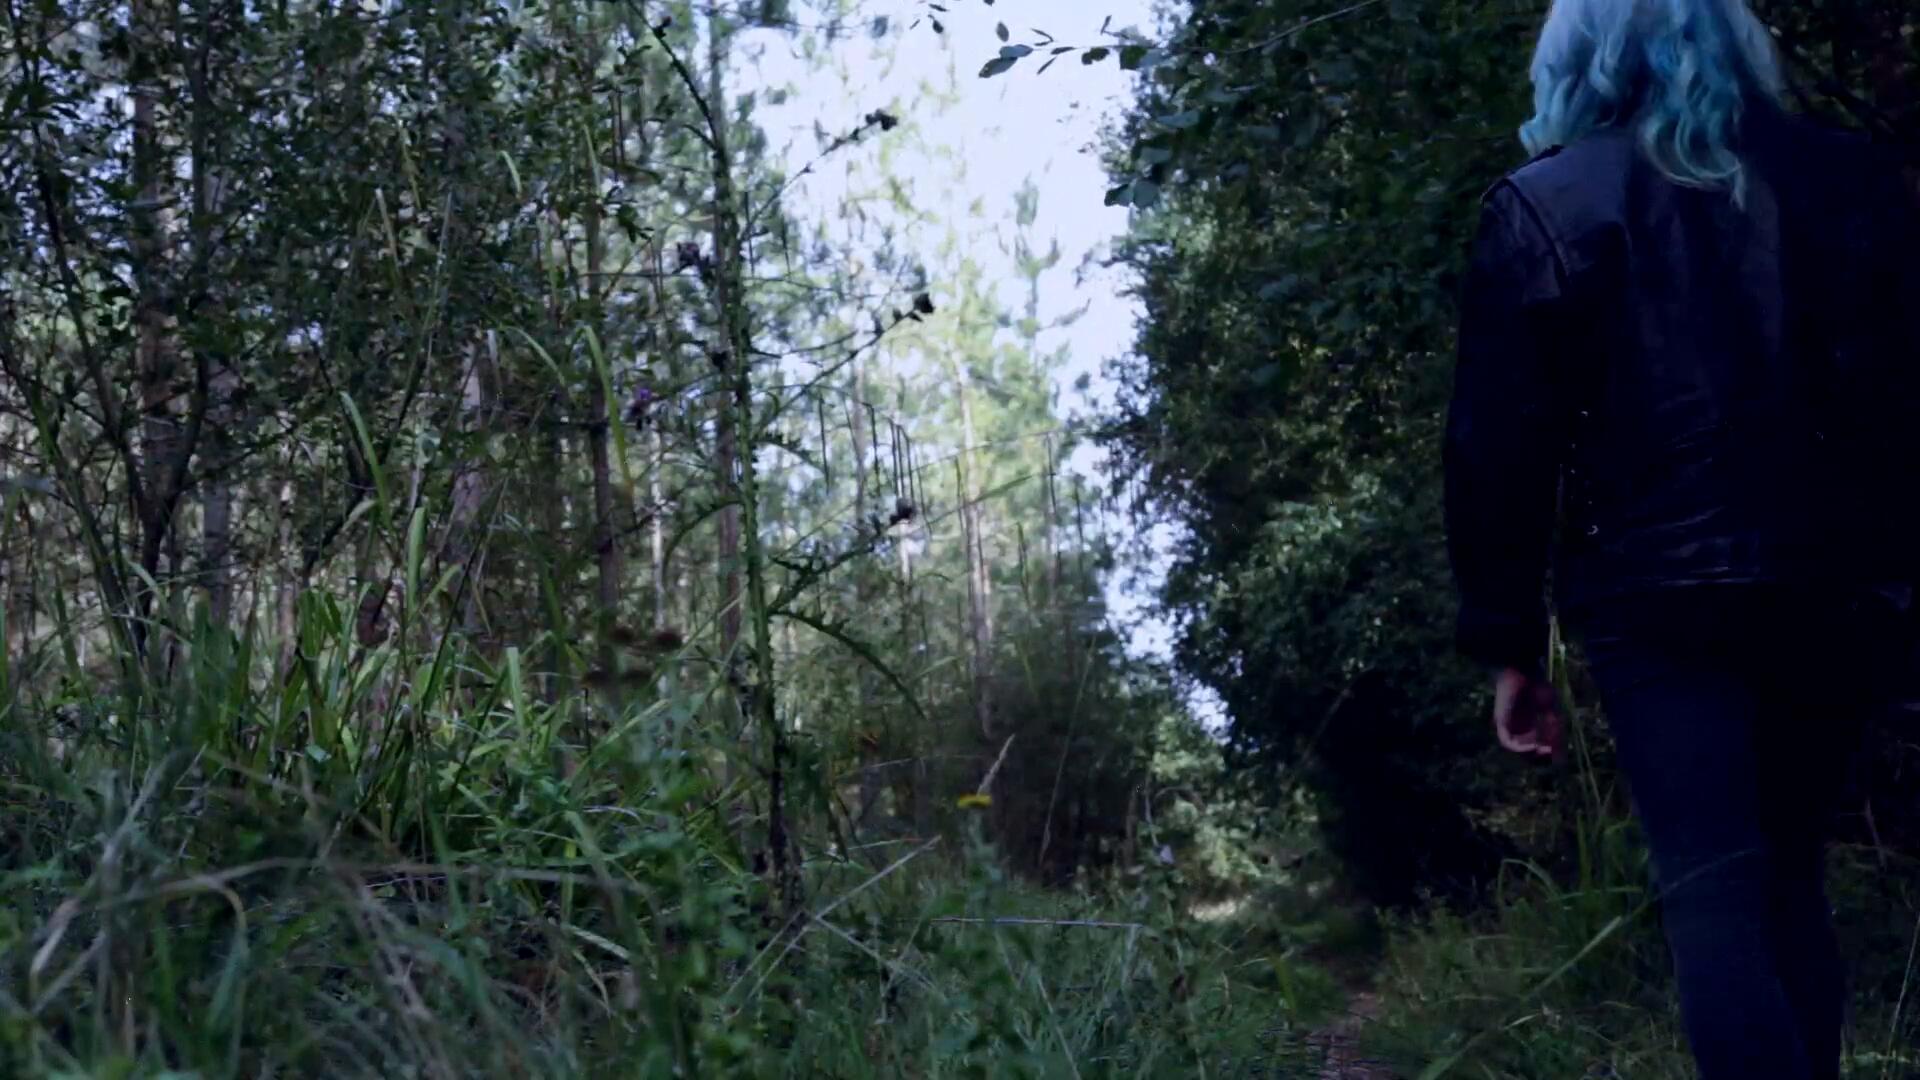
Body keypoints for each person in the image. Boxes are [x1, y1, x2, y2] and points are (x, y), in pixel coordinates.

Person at [1443, 1, 1920, 1077]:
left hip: (1656, 599)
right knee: (1792, 879)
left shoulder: (1549, 203)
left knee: (1712, 888)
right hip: (1835, 587)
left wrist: (1509, 645)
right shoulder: (1854, 184)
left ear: (1580, 59)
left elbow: (1498, 449)